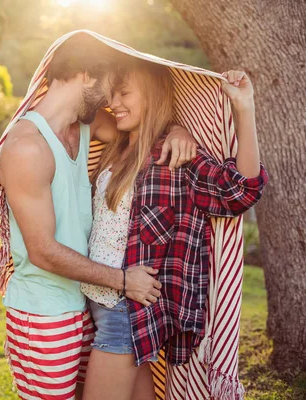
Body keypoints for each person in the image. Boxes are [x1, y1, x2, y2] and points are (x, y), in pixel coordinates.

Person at [0, 34, 197, 400]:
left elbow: (142, 131)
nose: (110, 100)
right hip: (44, 315)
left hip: (85, 305)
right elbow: (42, 251)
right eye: (109, 86)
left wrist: (178, 130)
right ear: (88, 74)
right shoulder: (27, 147)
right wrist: (123, 280)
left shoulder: (83, 128)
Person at [81, 60, 268, 399]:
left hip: (126, 309)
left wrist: (244, 108)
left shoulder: (173, 156)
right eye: (111, 94)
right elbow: (82, 112)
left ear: (152, 95)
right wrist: (179, 125)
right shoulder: (118, 142)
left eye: (124, 93)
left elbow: (241, 192)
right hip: (102, 300)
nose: (114, 103)